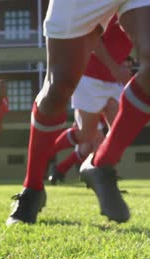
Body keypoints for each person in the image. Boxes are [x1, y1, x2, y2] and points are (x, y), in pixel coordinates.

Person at [7, 1, 150, 225]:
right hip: (92, 75)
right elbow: (97, 39)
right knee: (58, 89)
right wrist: (113, 66)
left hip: (111, 81)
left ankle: (102, 164)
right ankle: (33, 187)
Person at [49, 54, 136, 185]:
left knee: (87, 149)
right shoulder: (98, 72)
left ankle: (60, 170)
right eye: (125, 66)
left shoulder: (122, 82)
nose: (128, 69)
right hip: (91, 99)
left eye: (130, 67)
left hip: (101, 110)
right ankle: (47, 153)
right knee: (94, 142)